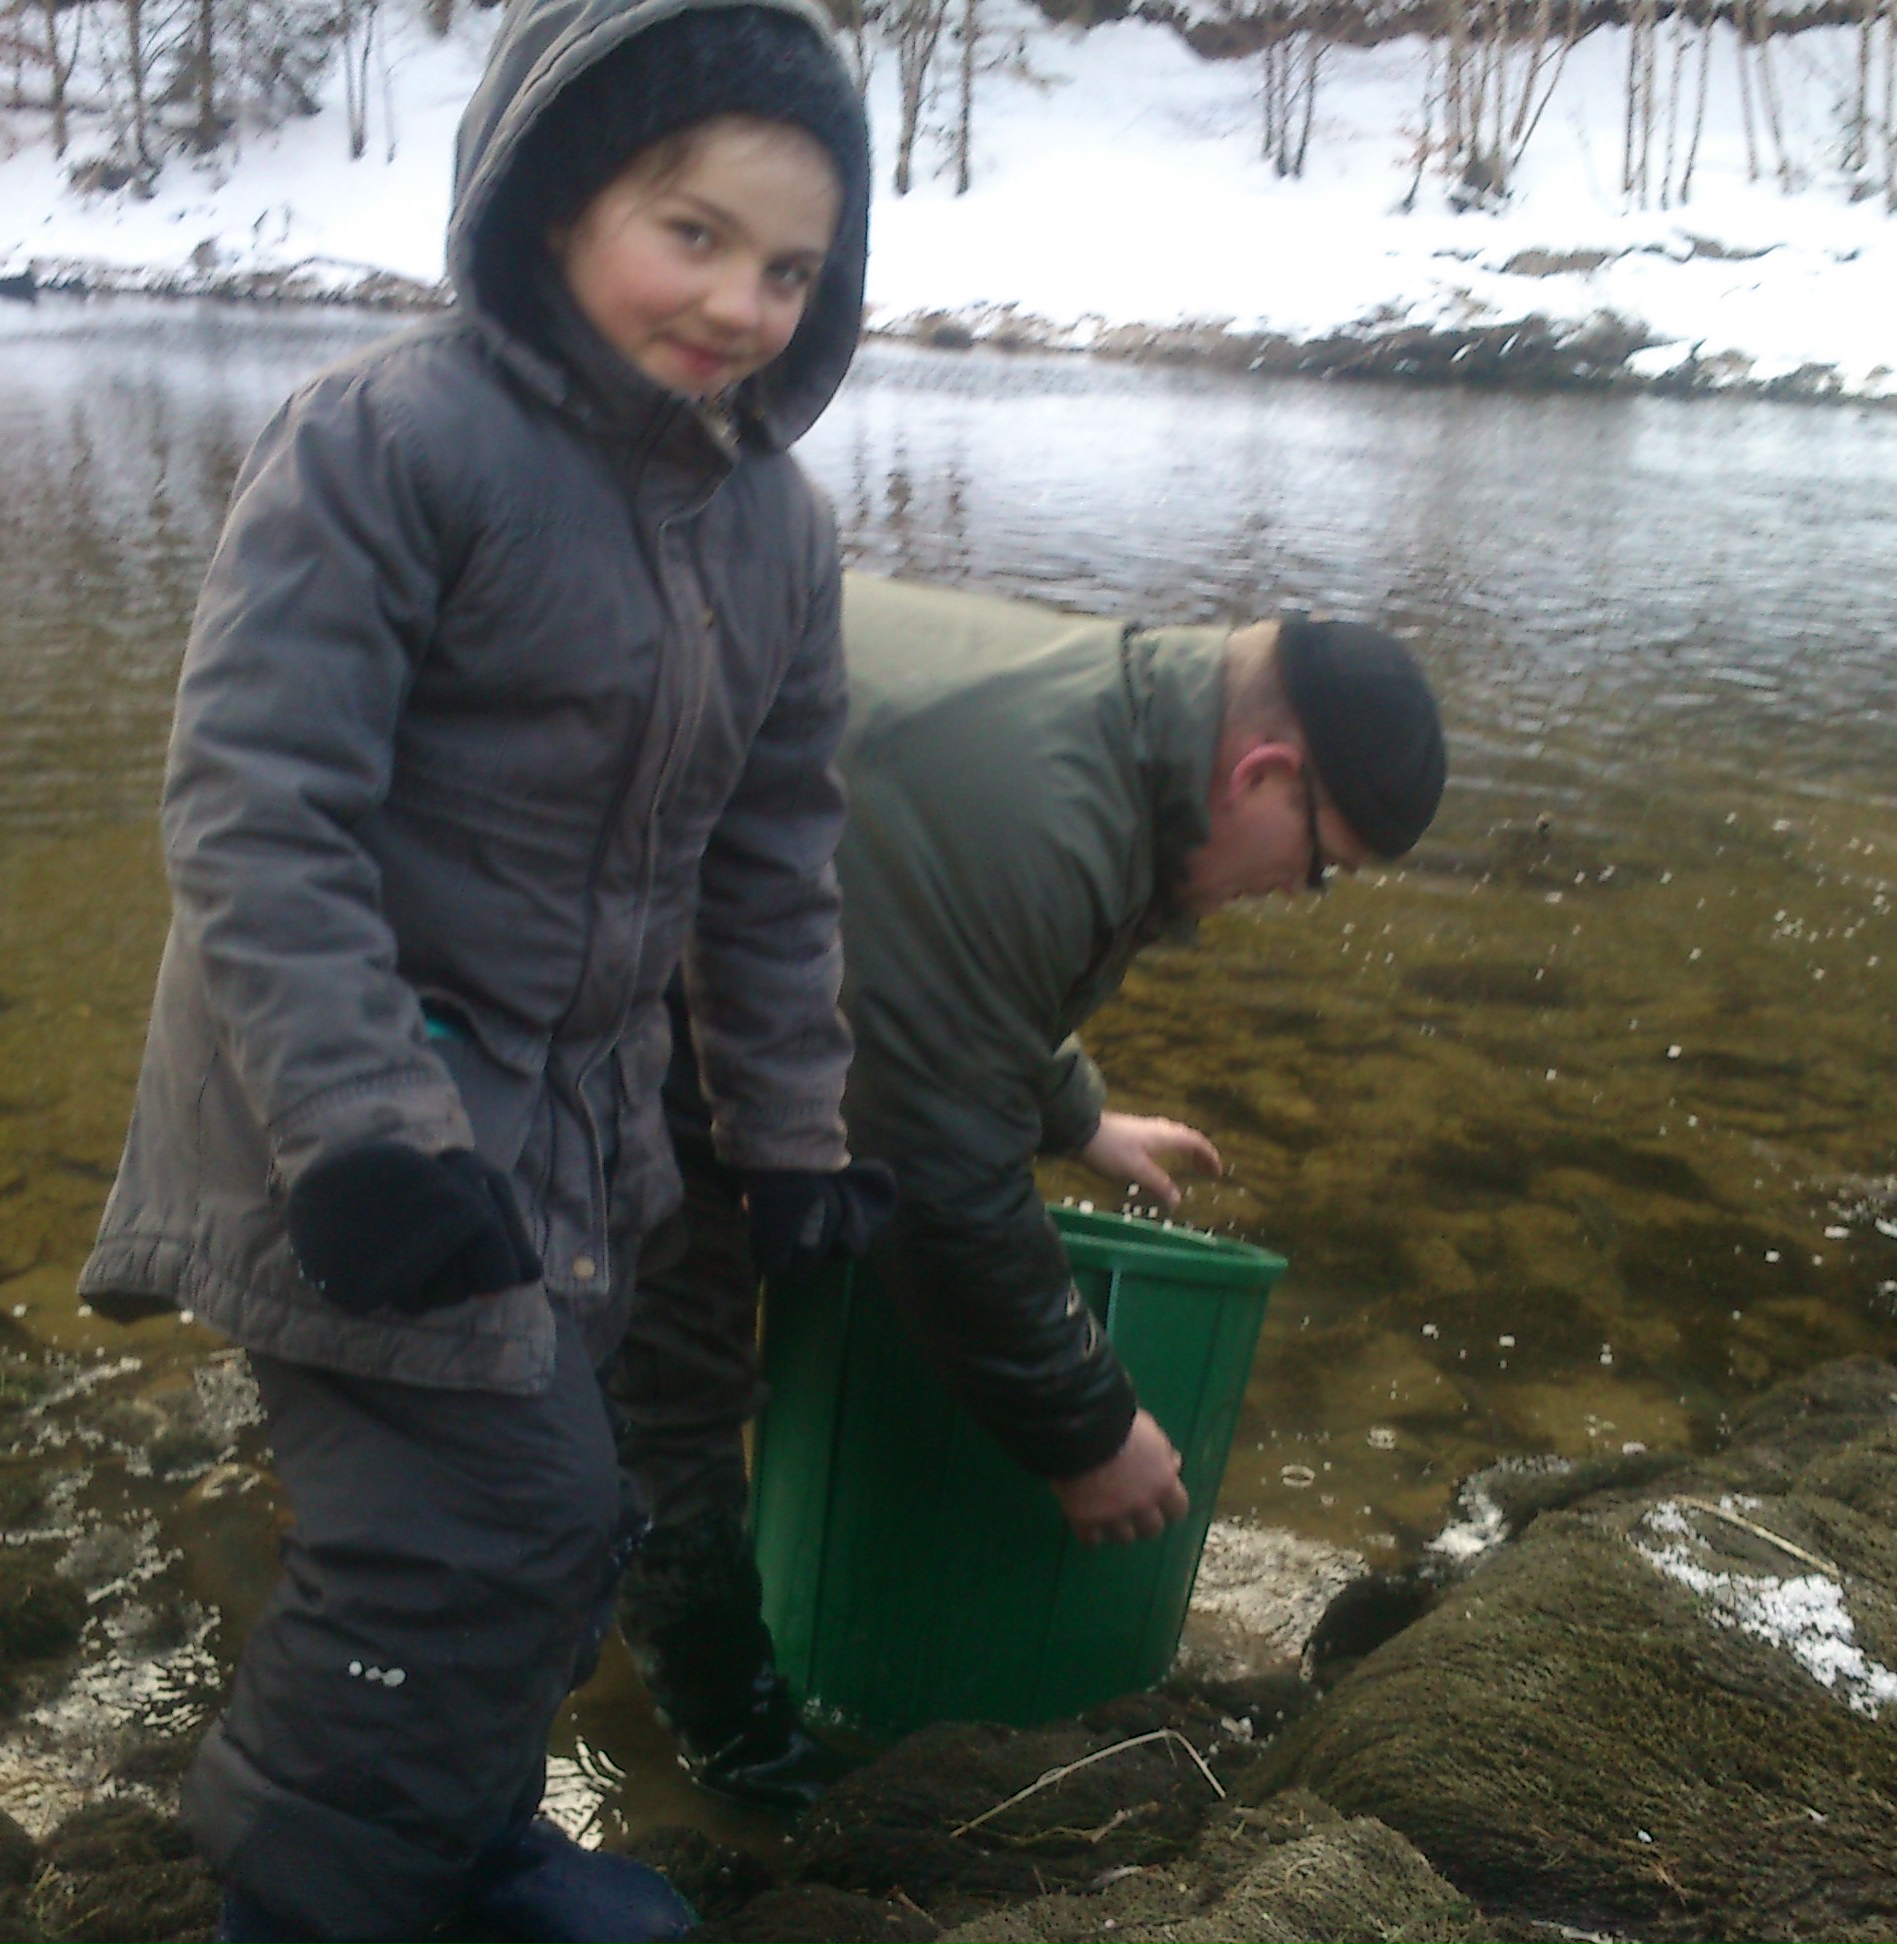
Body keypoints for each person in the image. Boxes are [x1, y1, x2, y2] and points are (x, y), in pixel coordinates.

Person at [75, 5, 884, 1941]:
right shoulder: (387, 438)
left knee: (565, 1502)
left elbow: (775, 863)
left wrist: (791, 1133)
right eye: (693, 234)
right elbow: (258, 806)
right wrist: (361, 1126)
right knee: (476, 1527)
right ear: (551, 203)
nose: (744, 303)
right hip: (344, 1131)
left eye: (792, 268)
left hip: (579, 1152)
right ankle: (307, 1909)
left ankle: (468, 1836)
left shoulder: (777, 532)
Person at [610, 573, 1448, 1812]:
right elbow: (934, 1176)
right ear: (1264, 774)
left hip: (711, 924)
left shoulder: (1116, 724)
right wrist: (1087, 1429)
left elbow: (934, 959)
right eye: (1320, 865)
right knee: (667, 1378)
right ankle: (739, 1764)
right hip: (569, 948)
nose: (1295, 895)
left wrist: (1076, 1115)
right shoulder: (1042, 815)